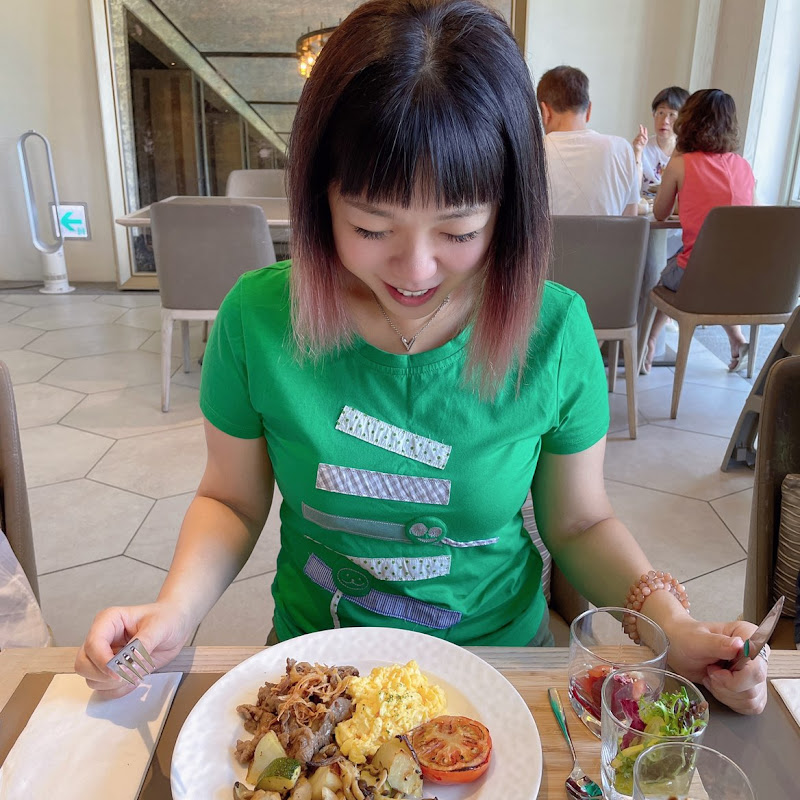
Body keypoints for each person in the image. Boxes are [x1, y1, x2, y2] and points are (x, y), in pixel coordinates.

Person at [77, 0, 766, 716]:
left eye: (459, 232)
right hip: (319, 676)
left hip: (499, 672)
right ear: (319, 200)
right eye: (371, 227)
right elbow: (230, 498)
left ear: (508, 211)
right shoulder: (258, 318)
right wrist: (174, 610)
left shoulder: (554, 331)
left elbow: (579, 523)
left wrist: (672, 626)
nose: (415, 269)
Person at [644, 89, 755, 373]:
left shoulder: (681, 163)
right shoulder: (744, 166)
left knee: (664, 276)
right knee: (700, 264)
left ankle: (650, 341)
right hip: (741, 279)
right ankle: (738, 339)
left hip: (696, 278)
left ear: (688, 120)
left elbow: (660, 212)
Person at [536, 65, 639, 216]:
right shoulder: (621, 149)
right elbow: (629, 221)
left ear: (545, 111)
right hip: (607, 233)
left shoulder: (530, 152)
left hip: (547, 233)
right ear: (589, 110)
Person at [633, 86, 689, 192]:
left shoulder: (687, 151)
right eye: (661, 113)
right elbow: (633, 191)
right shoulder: (643, 147)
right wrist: (637, 153)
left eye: (672, 115)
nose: (665, 121)